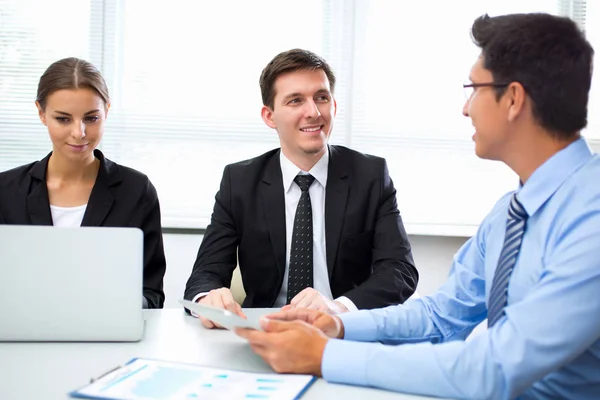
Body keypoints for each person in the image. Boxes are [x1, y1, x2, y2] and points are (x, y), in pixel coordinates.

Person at [236, 13, 600, 399]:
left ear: (513, 99)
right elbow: (442, 315)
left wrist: (325, 355)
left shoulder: (590, 218)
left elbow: (492, 369)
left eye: (473, 88)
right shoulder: (511, 212)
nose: (466, 108)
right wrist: (336, 325)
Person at [184, 49, 418, 327]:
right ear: (269, 116)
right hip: (265, 329)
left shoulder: (370, 176)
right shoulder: (240, 181)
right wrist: (207, 300)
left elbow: (399, 271)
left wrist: (339, 307)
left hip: (340, 331)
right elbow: (205, 273)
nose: (314, 112)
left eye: (322, 97)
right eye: (296, 101)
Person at [0, 57, 166, 309]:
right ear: (41, 113)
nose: (79, 132)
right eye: (63, 119)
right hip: (20, 334)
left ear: (107, 111)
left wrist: (119, 307)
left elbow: (151, 293)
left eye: (91, 118)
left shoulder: (136, 190)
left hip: (107, 335)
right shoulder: (6, 190)